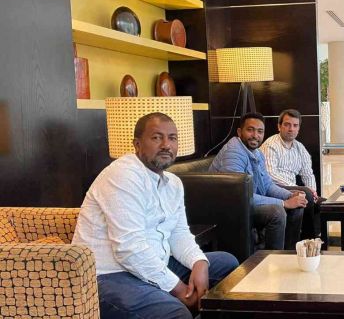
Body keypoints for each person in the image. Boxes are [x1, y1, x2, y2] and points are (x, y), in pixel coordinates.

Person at [73, 113, 239, 319]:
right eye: (156, 137)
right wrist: (180, 291)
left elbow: (179, 233)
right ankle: (174, 306)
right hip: (110, 276)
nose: (166, 145)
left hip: (154, 263)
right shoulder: (123, 175)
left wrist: (199, 263)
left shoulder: (173, 183)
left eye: (172, 138)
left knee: (227, 264)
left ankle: (170, 301)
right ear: (137, 144)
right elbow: (129, 249)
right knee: (175, 313)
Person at [210, 112, 307, 250]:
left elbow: (267, 185)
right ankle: (273, 259)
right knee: (277, 212)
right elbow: (238, 196)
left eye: (260, 131)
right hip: (229, 207)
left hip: (245, 203)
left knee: (298, 204)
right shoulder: (233, 153)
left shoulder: (257, 153)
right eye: (250, 130)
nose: (255, 135)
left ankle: (289, 253)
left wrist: (289, 195)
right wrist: (284, 203)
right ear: (240, 132)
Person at [262, 109, 324, 239]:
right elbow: (270, 174)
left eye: (295, 125)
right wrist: (299, 189)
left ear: (298, 129)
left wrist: (313, 191)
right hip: (273, 189)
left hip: (292, 189)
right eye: (287, 124)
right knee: (305, 193)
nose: (291, 129)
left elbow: (308, 174)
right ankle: (308, 239)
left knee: (322, 202)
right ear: (279, 126)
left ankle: (315, 241)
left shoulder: (300, 147)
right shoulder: (270, 145)